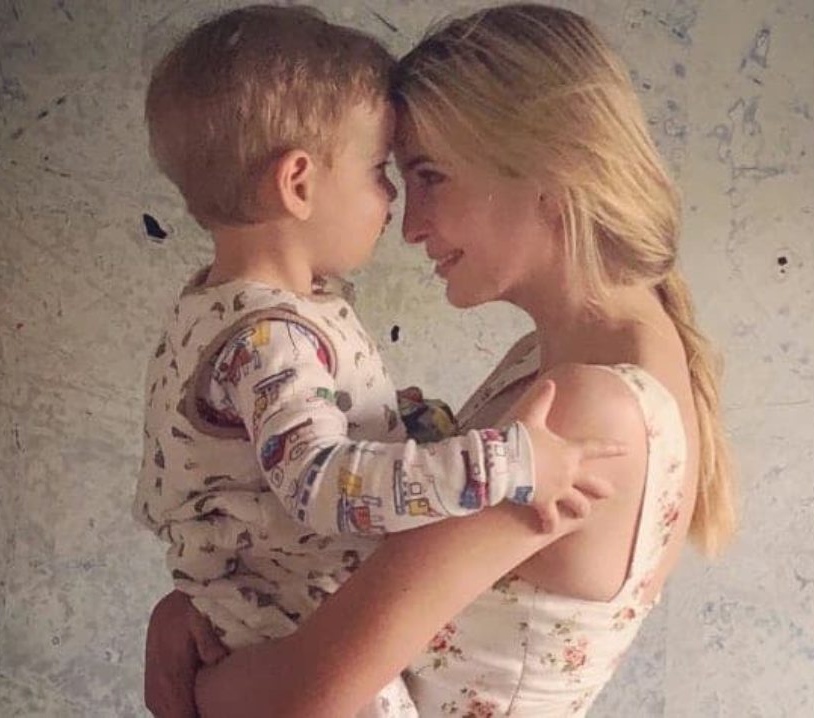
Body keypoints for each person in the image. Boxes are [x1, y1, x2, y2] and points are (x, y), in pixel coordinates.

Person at [144, 4, 738, 716]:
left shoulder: (584, 414)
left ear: (548, 164)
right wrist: (205, 602)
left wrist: (187, 681)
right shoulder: (554, 362)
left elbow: (300, 700)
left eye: (428, 175)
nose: (410, 224)